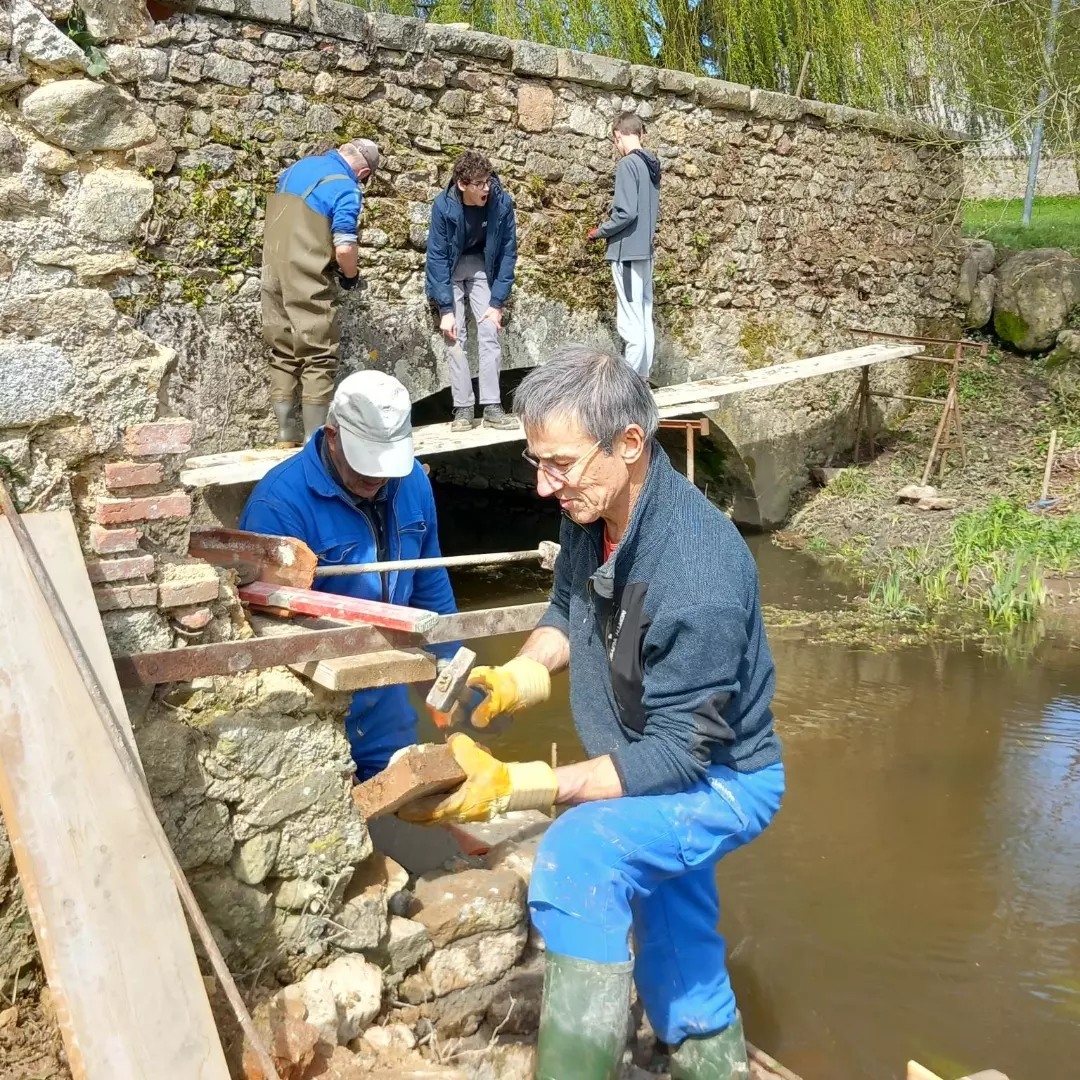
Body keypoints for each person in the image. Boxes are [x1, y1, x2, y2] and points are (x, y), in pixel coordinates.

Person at [402, 345, 784, 1080]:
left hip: (724, 780)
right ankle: (715, 1062)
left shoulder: (700, 572)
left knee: (580, 855)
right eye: (535, 460)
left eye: (562, 463)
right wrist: (521, 671)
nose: (546, 487)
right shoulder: (596, 506)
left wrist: (522, 787)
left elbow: (677, 757)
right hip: (658, 757)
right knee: (677, 945)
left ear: (631, 444)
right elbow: (568, 605)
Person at [240, 369, 458, 780]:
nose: (375, 478)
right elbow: (266, 632)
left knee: (404, 790)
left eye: (385, 466)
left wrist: (447, 663)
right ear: (332, 435)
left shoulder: (411, 482)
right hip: (320, 690)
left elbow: (429, 578)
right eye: (365, 465)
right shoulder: (278, 506)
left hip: (388, 688)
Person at [262, 139, 380, 446]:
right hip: (307, 273)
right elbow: (344, 248)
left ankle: (285, 433)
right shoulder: (346, 187)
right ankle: (315, 440)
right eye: (365, 180)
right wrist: (351, 276)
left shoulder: (296, 168)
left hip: (273, 272)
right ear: (364, 171)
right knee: (319, 354)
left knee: (283, 350)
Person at [425, 150, 519, 433]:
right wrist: (445, 310)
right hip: (452, 269)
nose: (486, 189)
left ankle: (492, 406)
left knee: (489, 330)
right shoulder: (443, 206)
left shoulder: (501, 204)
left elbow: (507, 253)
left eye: (488, 181)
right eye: (479, 183)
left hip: (482, 266)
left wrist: (497, 302)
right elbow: (437, 257)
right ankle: (464, 408)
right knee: (455, 336)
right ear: (462, 184)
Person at [588, 112, 662, 379]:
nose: (616, 147)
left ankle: (630, 386)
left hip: (628, 253)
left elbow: (626, 213)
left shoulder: (628, 165)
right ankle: (642, 381)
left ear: (618, 135)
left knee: (631, 324)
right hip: (645, 253)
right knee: (644, 318)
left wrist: (599, 232)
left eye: (615, 141)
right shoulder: (652, 164)